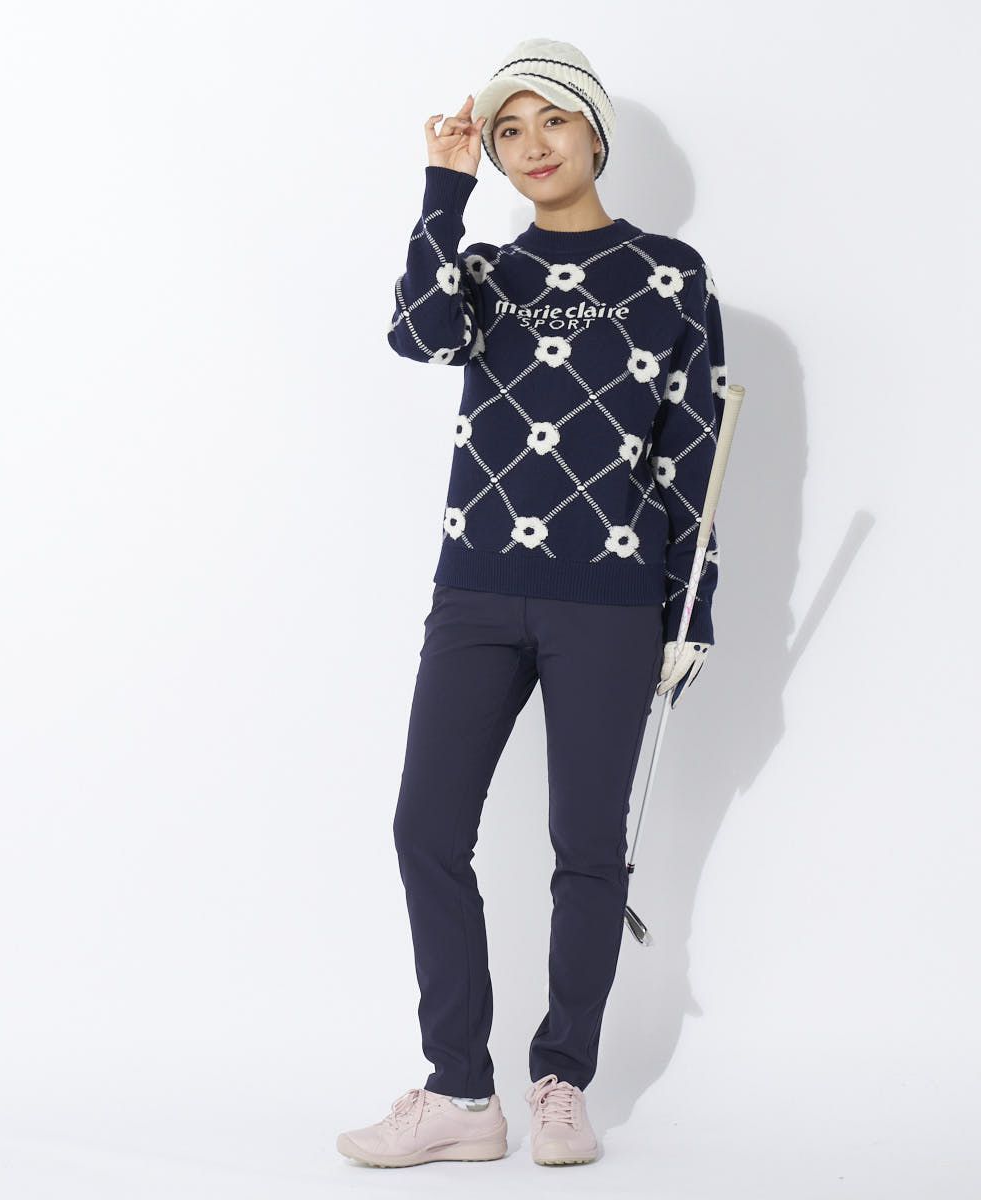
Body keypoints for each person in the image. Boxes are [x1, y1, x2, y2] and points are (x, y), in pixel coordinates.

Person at [337, 37, 727, 1169]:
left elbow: (694, 458)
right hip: (476, 587)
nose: (530, 145)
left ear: (594, 134)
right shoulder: (487, 273)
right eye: (508, 132)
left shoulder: (669, 275)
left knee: (586, 847)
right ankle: (461, 1093)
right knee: (424, 827)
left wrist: (692, 609)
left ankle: (562, 1081)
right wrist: (443, 190)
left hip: (609, 598)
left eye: (551, 120)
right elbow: (416, 334)